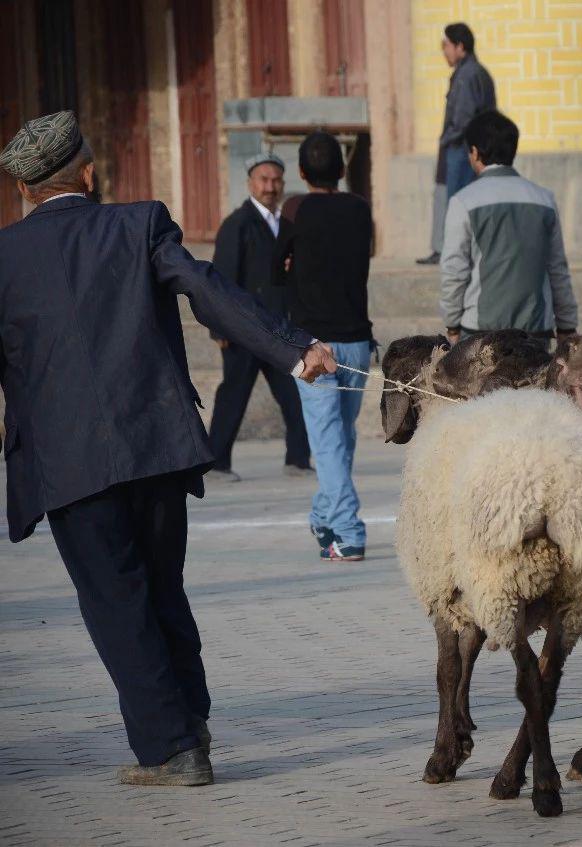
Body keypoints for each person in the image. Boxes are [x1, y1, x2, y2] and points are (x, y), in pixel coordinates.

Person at [0, 112, 334, 785]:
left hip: (69, 463)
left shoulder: (5, 255)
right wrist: (294, 351)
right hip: (155, 445)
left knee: (117, 604)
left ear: (24, 190)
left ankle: (172, 749)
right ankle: (192, 721)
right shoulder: (138, 223)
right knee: (162, 589)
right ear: (89, 174)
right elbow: (212, 292)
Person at [280, 132, 375, 563]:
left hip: (314, 345)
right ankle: (324, 516)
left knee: (328, 442)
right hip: (356, 339)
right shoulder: (359, 208)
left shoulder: (295, 209)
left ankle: (350, 533)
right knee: (341, 439)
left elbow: (274, 268)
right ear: (342, 169)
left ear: (300, 172)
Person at [205, 152, 311, 483]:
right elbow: (219, 279)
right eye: (264, 180)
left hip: (277, 330)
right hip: (242, 331)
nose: (270, 186)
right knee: (233, 397)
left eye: (276, 180)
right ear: (251, 183)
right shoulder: (237, 224)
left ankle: (298, 460)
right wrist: (217, 327)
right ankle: (216, 464)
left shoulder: (284, 224)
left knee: (293, 396)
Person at [440, 111, 578, 349]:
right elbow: (557, 268)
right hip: (536, 332)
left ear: (474, 152)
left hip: (480, 333)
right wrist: (567, 325)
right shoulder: (544, 199)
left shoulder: (463, 201)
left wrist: (452, 324)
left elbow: (454, 270)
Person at [418, 23, 496, 266]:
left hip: (462, 149)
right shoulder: (475, 72)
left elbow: (462, 119)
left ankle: (454, 255)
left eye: (446, 45)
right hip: (468, 147)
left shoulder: (468, 75)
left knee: (459, 204)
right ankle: (449, 251)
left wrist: (446, 140)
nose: (444, 51)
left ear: (460, 47)